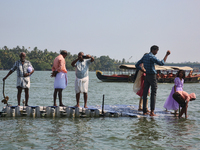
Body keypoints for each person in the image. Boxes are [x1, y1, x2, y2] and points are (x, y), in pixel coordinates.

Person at [135, 45, 171, 116]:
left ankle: (144, 111)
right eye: (157, 51)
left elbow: (136, 65)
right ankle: (152, 112)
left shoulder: (145, 56)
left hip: (147, 75)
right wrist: (166, 55)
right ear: (154, 50)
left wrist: (142, 69)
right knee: (153, 93)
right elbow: (161, 63)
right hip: (152, 76)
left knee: (145, 93)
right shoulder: (152, 56)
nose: (157, 53)